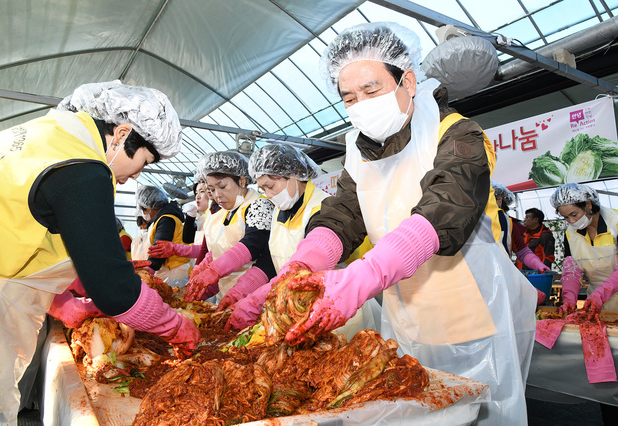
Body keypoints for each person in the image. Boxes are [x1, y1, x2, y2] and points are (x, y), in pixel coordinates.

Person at [238, 22, 536, 424]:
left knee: (477, 413)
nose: (360, 104)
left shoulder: (459, 133)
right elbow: (343, 212)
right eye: (349, 97)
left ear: (407, 81)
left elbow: (446, 207)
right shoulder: (358, 154)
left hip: (473, 318)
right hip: (405, 319)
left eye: (371, 90)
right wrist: (301, 267)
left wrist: (362, 278)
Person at [0, 80, 200, 425]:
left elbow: (26, 228)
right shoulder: (82, 167)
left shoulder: (53, 136)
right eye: (143, 162)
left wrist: (67, 295)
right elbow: (114, 291)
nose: (132, 178)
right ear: (121, 133)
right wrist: (174, 325)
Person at [148, 151, 276, 303]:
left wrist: (214, 271)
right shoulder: (223, 213)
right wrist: (201, 280)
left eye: (222, 186)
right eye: (212, 190)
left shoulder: (258, 205)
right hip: (226, 297)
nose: (217, 195)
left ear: (241, 181)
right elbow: (216, 251)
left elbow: (253, 243)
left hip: (254, 298)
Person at [220, 144, 328, 316]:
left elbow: (305, 271)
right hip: (294, 306)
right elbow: (272, 259)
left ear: (296, 174)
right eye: (263, 189)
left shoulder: (322, 207)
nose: (268, 195)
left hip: (329, 308)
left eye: (271, 186)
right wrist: (242, 290)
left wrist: (256, 301)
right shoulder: (280, 208)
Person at [551, 183, 618, 316]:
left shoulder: (615, 223)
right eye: (565, 217)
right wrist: (569, 297)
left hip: (600, 296)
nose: (571, 221)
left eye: (574, 214)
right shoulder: (571, 234)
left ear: (588, 204)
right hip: (597, 303)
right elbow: (572, 269)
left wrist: (600, 294)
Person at [136, 185, 191, 288]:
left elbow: (159, 249)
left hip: (174, 272)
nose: (144, 213)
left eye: (144, 209)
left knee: (173, 301)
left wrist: (147, 273)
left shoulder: (166, 220)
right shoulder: (164, 217)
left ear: (152, 207)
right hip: (170, 270)